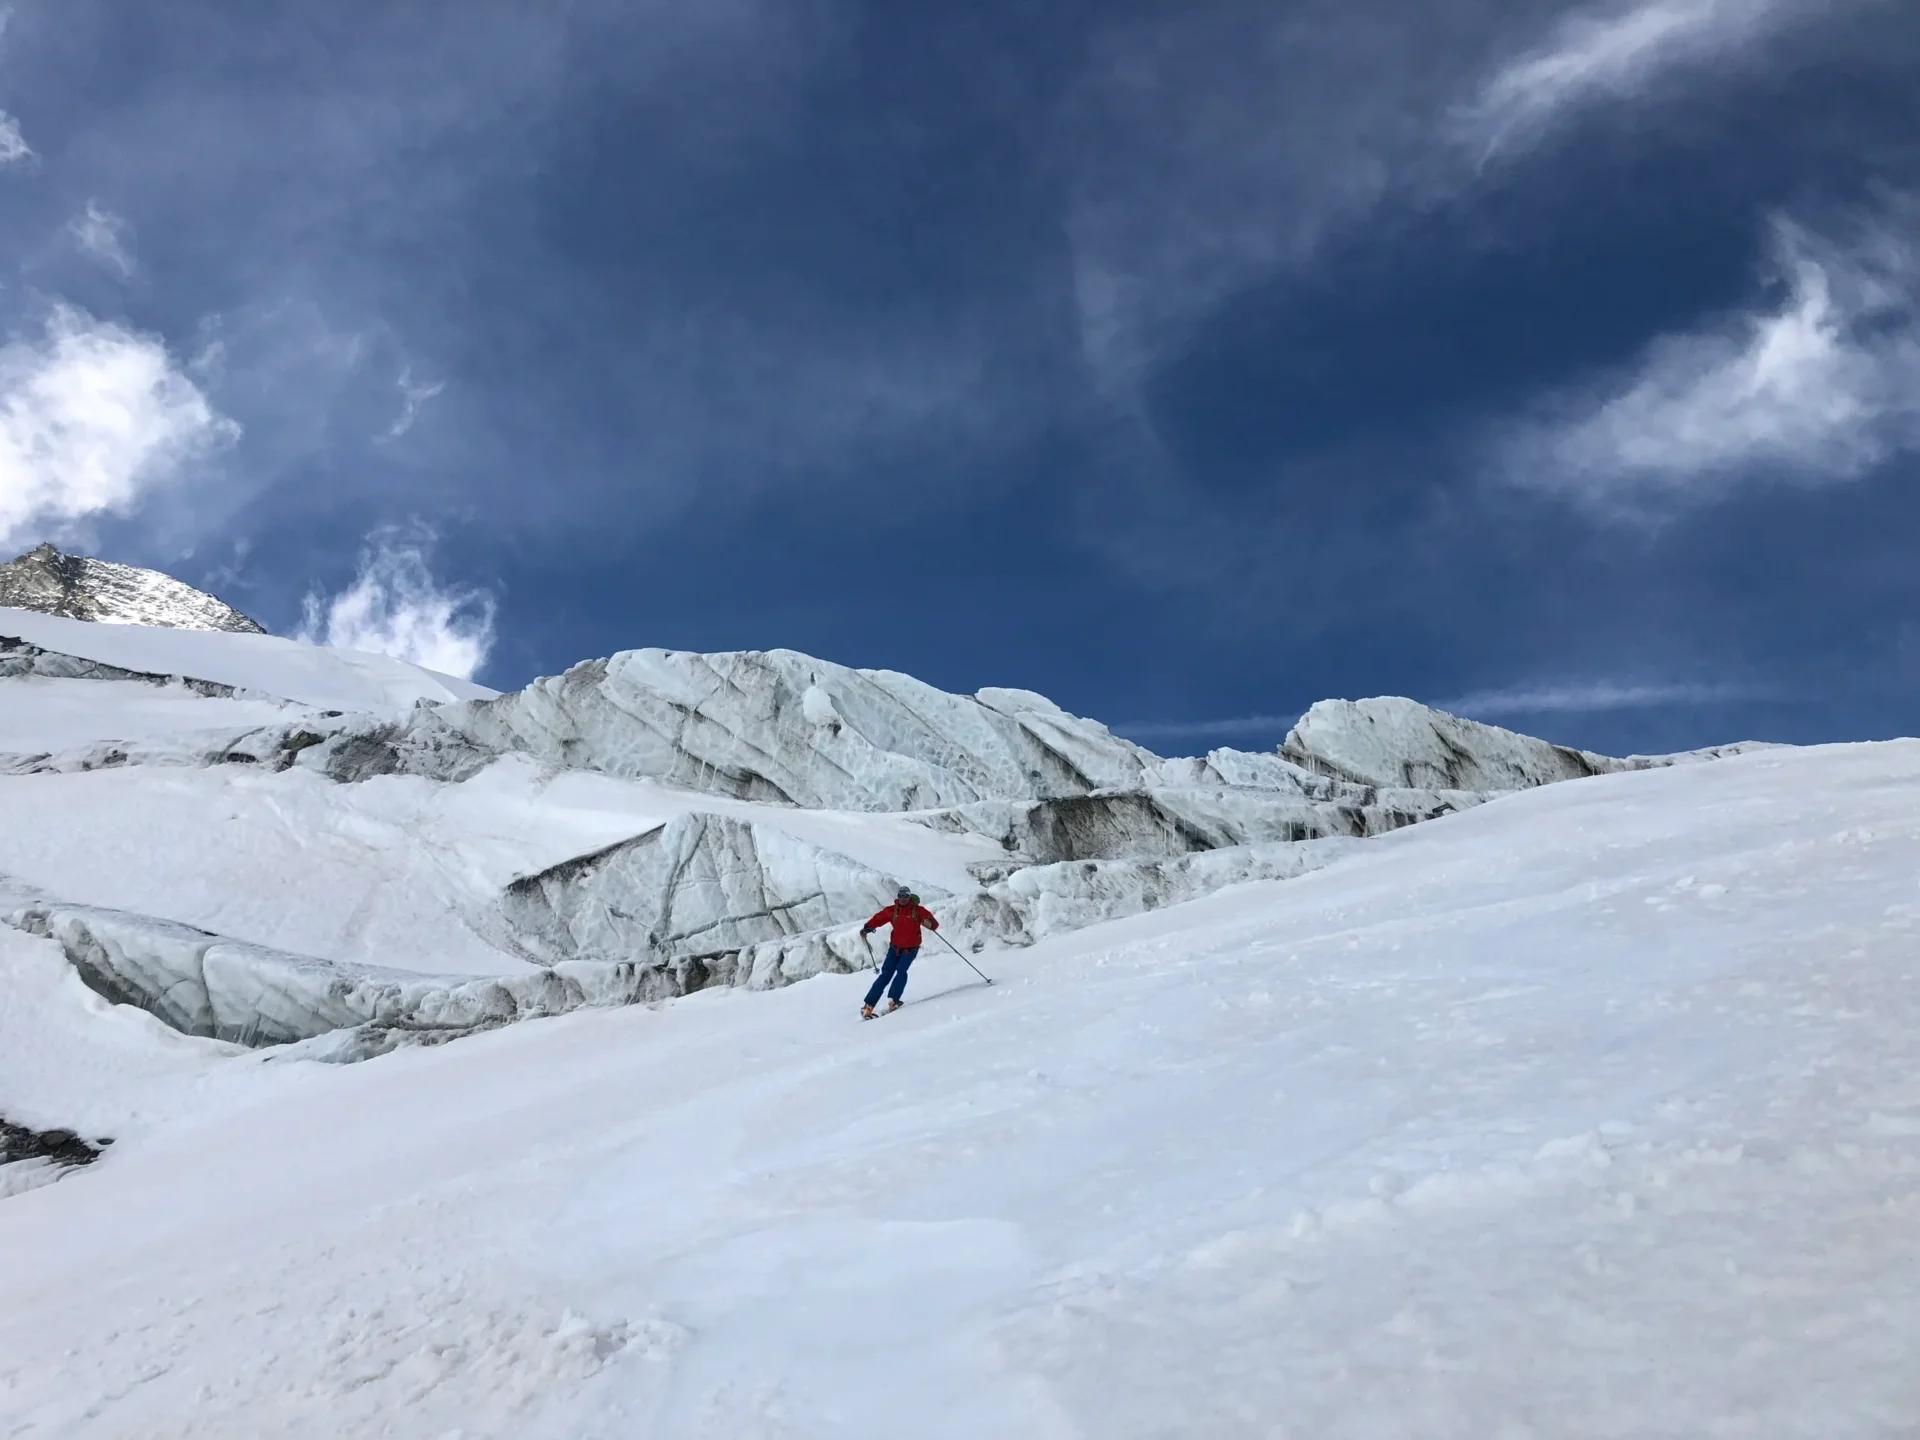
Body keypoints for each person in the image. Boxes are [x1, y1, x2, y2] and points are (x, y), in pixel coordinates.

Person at [860, 886, 939, 1017]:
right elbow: (879, 918)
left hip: (910, 949)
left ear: (909, 897)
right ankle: (869, 1005)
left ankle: (893, 1000)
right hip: (895, 948)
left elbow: (934, 924)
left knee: (901, 971)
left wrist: (930, 923)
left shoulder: (918, 911)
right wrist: (867, 927)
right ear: (898, 897)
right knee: (886, 975)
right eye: (900, 896)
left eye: (905, 896)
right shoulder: (893, 911)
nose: (902, 899)